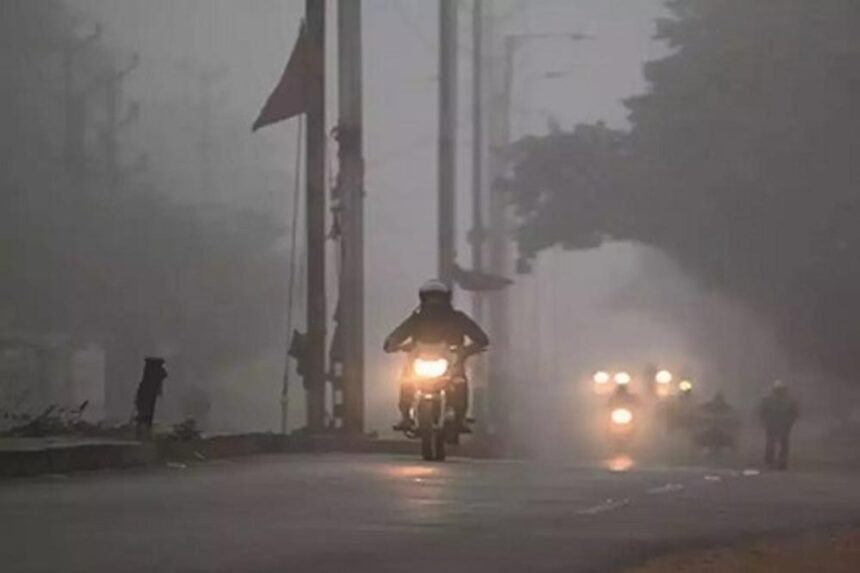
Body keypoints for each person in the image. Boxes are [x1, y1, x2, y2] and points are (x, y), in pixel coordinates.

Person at [384, 280, 489, 432]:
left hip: (451, 362)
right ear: (423, 299)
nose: (434, 302)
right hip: (419, 361)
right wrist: (392, 343)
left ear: (446, 299)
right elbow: (399, 333)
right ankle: (405, 415)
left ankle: (459, 417)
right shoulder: (416, 319)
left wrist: (467, 350)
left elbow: (481, 338)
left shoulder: (458, 318)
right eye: (431, 298)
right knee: (407, 380)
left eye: (438, 298)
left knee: (459, 380)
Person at [758, 380, 799, 470]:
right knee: (771, 443)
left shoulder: (789, 400)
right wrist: (764, 422)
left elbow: (795, 413)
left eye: (780, 390)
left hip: (783, 425)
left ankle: (781, 463)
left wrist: (789, 422)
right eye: (778, 390)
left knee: (782, 444)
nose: (779, 392)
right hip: (772, 424)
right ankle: (770, 462)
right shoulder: (768, 400)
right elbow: (762, 412)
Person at [134, 357, 168, 439]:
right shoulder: (152, 374)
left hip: (147, 397)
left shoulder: (151, 373)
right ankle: (143, 431)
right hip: (146, 397)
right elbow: (163, 375)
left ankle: (144, 431)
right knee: (145, 415)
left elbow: (164, 375)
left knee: (146, 415)